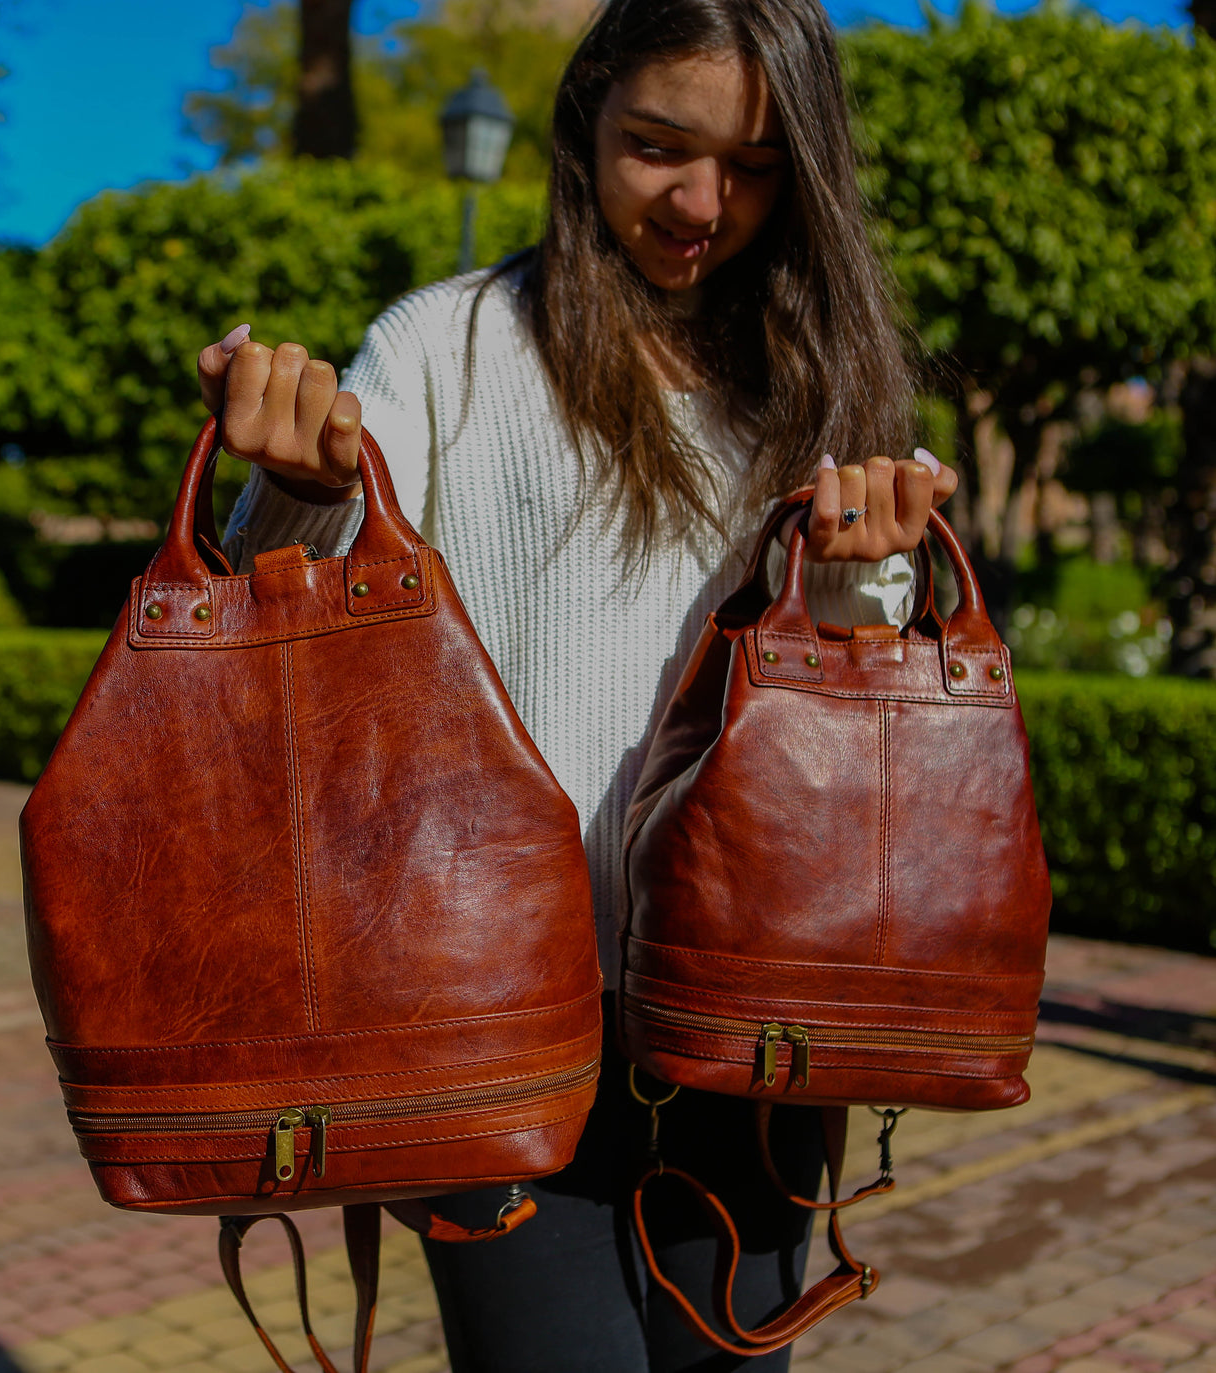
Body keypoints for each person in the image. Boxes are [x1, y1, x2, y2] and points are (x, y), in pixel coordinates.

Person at [197, 0, 956, 1367]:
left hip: (743, 1000)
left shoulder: (812, 371)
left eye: (756, 166)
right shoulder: (447, 346)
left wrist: (861, 572)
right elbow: (296, 611)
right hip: (484, 1009)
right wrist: (300, 491)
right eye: (657, 145)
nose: (701, 201)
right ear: (583, 118)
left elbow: (849, 679)